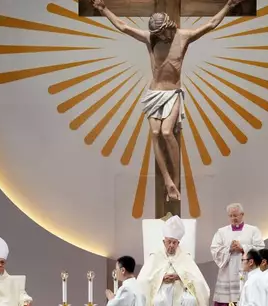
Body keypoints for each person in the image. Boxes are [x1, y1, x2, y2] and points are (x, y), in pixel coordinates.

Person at [91, 0, 244, 201]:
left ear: (168, 27)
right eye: (157, 34)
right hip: (155, 93)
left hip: (172, 93)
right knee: (155, 133)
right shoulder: (151, 39)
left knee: (166, 132)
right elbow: (123, 26)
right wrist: (103, 9)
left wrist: (229, 6)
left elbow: (210, 24)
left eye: (161, 33)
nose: (159, 37)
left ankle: (176, 181)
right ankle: (168, 181)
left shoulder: (183, 37)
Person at [137, 215, 210, 306]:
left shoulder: (184, 256)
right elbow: (143, 279)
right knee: (158, 302)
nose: (171, 245)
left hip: (181, 289)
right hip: (161, 289)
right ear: (164, 242)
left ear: (178, 243)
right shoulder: (155, 255)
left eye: (174, 242)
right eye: (169, 242)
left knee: (191, 301)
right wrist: (161, 277)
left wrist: (179, 276)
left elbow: (197, 279)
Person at [210, 203, 265, 306]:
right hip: (227, 274)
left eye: (235, 215)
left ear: (242, 214)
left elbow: (260, 248)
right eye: (230, 216)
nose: (233, 218)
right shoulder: (221, 232)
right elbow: (214, 249)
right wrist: (229, 249)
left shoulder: (253, 230)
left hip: (246, 273)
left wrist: (243, 248)